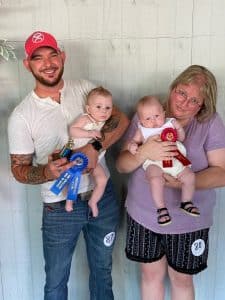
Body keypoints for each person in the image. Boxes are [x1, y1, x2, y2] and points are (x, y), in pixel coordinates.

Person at [8, 31, 129, 300]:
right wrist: (47, 171)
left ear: (63, 57)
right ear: (28, 64)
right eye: (38, 58)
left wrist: (94, 148)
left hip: (102, 199)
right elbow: (19, 170)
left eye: (53, 55)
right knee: (55, 281)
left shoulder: (86, 89)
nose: (48, 63)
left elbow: (120, 120)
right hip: (59, 205)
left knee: (102, 272)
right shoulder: (21, 116)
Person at [116, 65, 225, 300]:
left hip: (189, 221)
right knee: (150, 275)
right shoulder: (148, 113)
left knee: (182, 279)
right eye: (182, 93)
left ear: (203, 105)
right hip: (144, 214)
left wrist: (179, 183)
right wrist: (144, 152)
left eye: (194, 100)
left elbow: (222, 173)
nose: (184, 103)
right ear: (174, 87)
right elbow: (122, 165)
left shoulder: (211, 123)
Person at [126, 95, 197, 226]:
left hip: (175, 159)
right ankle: (161, 208)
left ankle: (186, 201)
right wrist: (133, 146)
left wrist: (179, 129)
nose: (153, 121)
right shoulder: (142, 130)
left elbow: (181, 138)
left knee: (189, 176)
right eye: (148, 118)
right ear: (141, 120)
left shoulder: (170, 123)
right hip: (154, 163)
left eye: (157, 116)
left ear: (163, 113)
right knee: (155, 179)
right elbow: (133, 142)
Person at [66, 86, 113, 216]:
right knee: (74, 178)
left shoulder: (104, 123)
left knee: (102, 179)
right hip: (78, 156)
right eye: (98, 107)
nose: (104, 111)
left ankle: (93, 201)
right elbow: (73, 130)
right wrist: (89, 133)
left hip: (94, 160)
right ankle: (69, 201)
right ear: (88, 109)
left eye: (108, 108)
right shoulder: (86, 118)